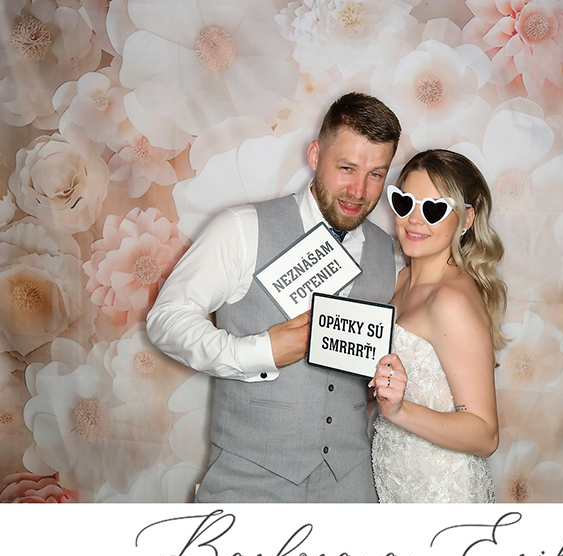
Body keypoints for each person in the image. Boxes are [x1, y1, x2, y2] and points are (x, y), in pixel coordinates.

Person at [146, 94, 401, 503]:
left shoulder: (388, 253)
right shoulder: (242, 227)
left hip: (351, 484)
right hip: (250, 479)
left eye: (376, 174)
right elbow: (167, 319)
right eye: (346, 168)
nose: (358, 190)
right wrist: (259, 352)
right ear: (315, 155)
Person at [369, 151, 506, 503]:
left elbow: (485, 435)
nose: (414, 220)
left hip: (441, 494)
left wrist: (400, 411)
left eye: (433, 209)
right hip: (395, 482)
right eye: (404, 203)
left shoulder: (450, 300)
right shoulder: (400, 280)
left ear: (466, 218)